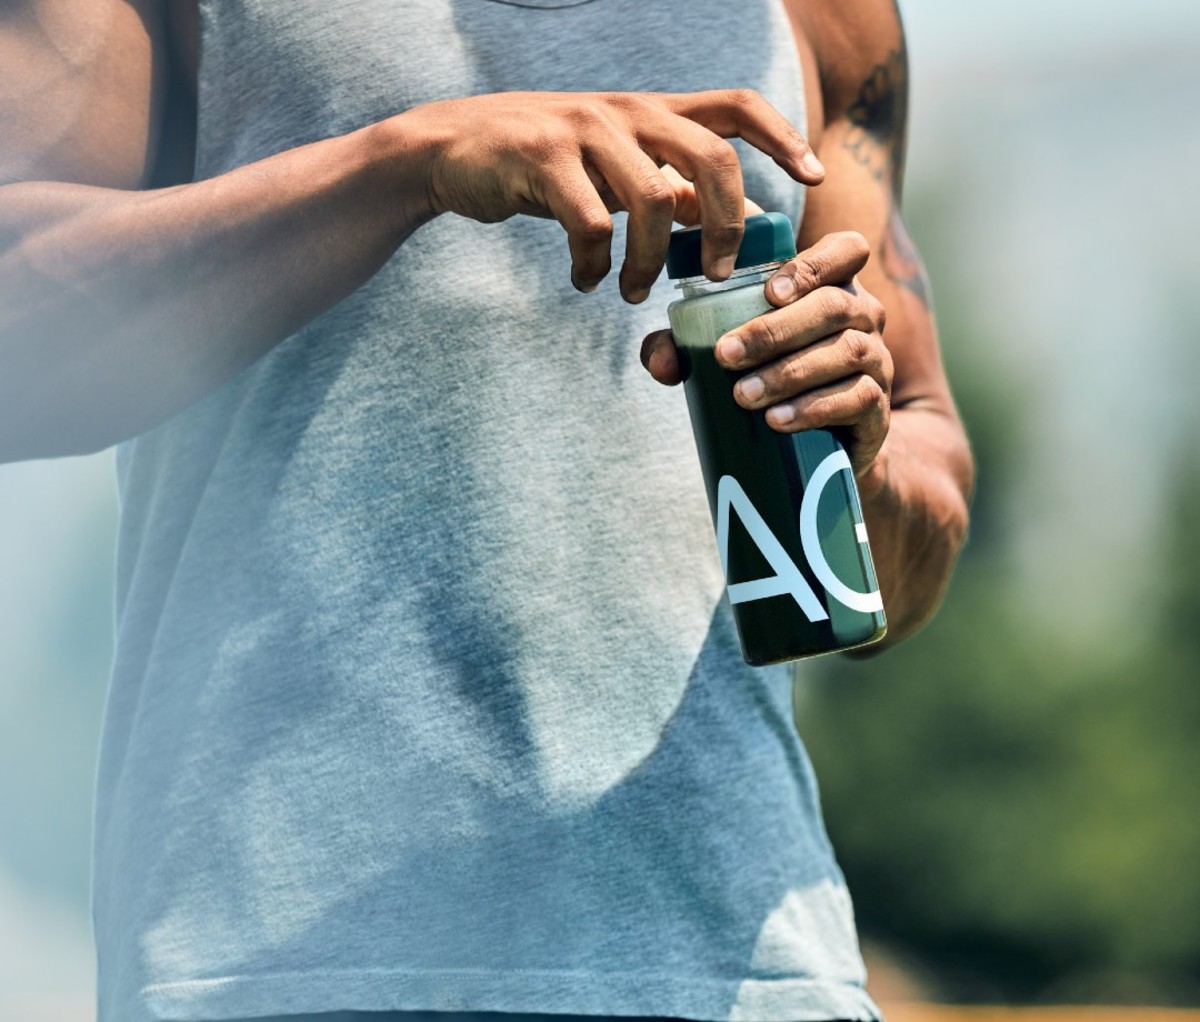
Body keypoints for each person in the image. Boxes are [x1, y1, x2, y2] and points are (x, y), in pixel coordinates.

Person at [0, 0, 973, 1020]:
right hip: (281, 968)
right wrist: (406, 164)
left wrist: (851, 462)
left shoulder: (829, 17)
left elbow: (918, 490)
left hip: (743, 974)